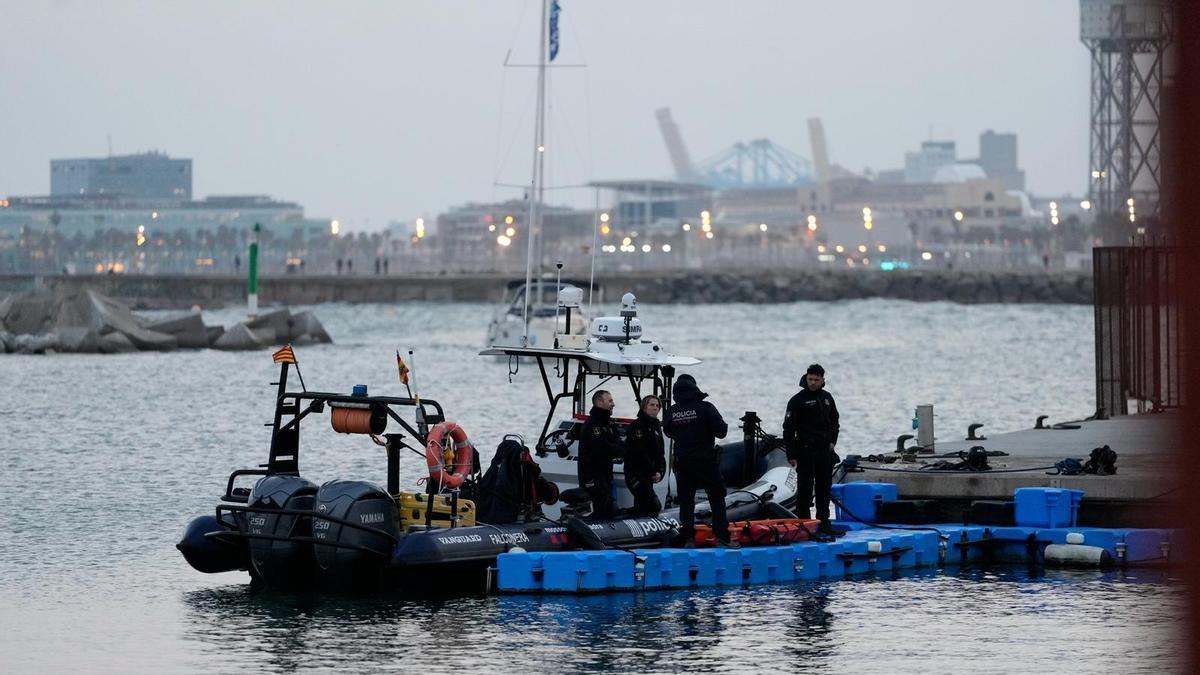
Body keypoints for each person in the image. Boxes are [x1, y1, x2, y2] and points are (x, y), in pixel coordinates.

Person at [663, 374, 738, 548]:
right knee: (717, 499)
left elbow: (668, 431)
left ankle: (688, 539)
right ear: (694, 387)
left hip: (683, 463)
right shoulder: (705, 407)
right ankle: (722, 537)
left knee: (686, 502)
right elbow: (722, 432)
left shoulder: (672, 411)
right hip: (706, 461)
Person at [783, 363, 843, 536]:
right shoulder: (797, 400)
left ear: (823, 380)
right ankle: (804, 525)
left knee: (824, 489)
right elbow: (788, 429)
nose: (813, 383)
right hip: (805, 451)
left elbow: (835, 421)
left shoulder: (827, 397)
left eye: (816, 379)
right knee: (805, 490)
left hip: (824, 451)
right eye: (810, 379)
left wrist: (833, 442)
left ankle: (824, 523)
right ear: (806, 378)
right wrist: (791, 454)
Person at [577, 389, 621, 519]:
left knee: (609, 507)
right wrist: (619, 450)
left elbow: (618, 443)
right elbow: (603, 448)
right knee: (604, 507)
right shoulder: (592, 425)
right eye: (610, 401)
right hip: (593, 476)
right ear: (600, 402)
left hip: (605, 475)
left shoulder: (609, 423)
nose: (613, 404)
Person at [624, 394, 666, 516]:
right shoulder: (636, 426)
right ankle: (623, 514)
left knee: (643, 505)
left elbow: (660, 452)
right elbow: (639, 453)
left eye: (657, 406)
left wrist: (659, 471)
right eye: (652, 405)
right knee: (653, 504)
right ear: (644, 407)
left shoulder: (656, 426)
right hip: (636, 473)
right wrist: (653, 472)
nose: (655, 408)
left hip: (649, 475)